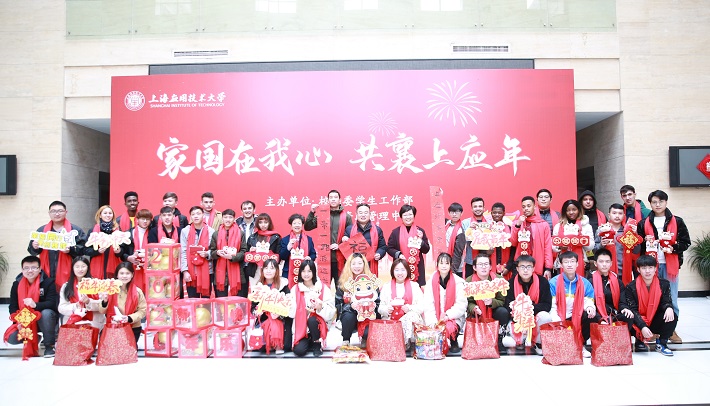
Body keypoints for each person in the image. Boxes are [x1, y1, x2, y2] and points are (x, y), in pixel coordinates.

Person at [638, 189, 690, 344]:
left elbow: (686, 242)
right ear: (650, 204)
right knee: (651, 298)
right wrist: (644, 242)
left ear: (666, 202)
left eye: (660, 201)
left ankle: (671, 329)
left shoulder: (677, 221)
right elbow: (639, 246)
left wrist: (673, 248)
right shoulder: (644, 223)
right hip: (651, 267)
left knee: (671, 298)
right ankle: (653, 329)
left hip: (670, 266)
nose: (658, 204)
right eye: (654, 202)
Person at [28, 200, 87, 292]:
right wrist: (34, 247)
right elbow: (31, 251)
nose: (57, 214)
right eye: (53, 211)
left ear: (66, 212)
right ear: (49, 213)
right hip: (46, 271)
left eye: (60, 211)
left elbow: (83, 249)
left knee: (66, 294)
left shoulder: (75, 230)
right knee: (49, 294)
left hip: (69, 272)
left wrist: (70, 250)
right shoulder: (42, 230)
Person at [6, 256, 59, 357]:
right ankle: (35, 338)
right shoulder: (16, 284)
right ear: (22, 270)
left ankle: (49, 346)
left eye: (34, 268)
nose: (30, 271)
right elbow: (13, 306)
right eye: (26, 268)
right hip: (25, 321)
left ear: (39, 269)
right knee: (11, 338)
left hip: (44, 320)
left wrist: (35, 305)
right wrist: (18, 321)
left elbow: (52, 303)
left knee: (46, 313)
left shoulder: (48, 282)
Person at [625, 255, 678, 356]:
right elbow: (633, 309)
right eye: (644, 268)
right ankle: (639, 339)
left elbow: (666, 301)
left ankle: (662, 343)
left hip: (654, 318)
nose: (647, 271)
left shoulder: (664, 284)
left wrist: (668, 307)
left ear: (655, 268)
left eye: (650, 267)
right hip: (638, 321)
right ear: (638, 270)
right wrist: (642, 326)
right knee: (628, 316)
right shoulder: (631, 287)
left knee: (672, 315)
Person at [549, 251, 596, 358]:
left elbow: (588, 300)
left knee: (590, 316)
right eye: (566, 262)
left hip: (576, 315)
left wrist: (590, 307)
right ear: (561, 265)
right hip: (559, 315)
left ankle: (581, 345)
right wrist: (557, 320)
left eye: (572, 261)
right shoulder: (553, 282)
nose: (569, 265)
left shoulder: (585, 283)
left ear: (577, 264)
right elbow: (552, 305)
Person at [502, 255, 553, 355]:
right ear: (517, 269)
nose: (525, 270)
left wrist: (528, 310)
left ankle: (537, 342)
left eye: (529, 267)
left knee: (546, 316)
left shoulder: (542, 282)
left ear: (533, 268)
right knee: (508, 342)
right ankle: (519, 338)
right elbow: (507, 305)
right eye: (522, 267)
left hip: (535, 315)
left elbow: (547, 304)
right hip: (517, 318)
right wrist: (522, 317)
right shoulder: (510, 283)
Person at [304, 189, 353, 284]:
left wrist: (340, 245)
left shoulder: (346, 217)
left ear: (340, 200)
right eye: (331, 197)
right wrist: (312, 212)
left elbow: (350, 237)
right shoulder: (323, 214)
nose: (333, 199)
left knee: (341, 287)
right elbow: (308, 227)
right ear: (328, 200)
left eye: (335, 197)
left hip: (340, 258)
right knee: (324, 287)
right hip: (325, 258)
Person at [290, 259, 336, 357]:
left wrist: (320, 307)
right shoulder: (295, 289)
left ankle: (317, 343)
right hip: (302, 328)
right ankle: (308, 340)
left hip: (317, 325)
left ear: (314, 272)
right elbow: (290, 313)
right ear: (300, 273)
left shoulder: (323, 288)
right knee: (299, 351)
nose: (306, 274)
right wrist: (301, 311)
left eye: (309, 271)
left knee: (312, 320)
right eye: (303, 271)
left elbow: (331, 313)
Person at [422, 252, 467, 354]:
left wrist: (447, 315)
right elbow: (428, 304)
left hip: (452, 317)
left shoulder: (459, 282)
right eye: (441, 263)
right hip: (436, 317)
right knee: (434, 329)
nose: (444, 266)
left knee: (450, 326)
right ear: (437, 265)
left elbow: (461, 304)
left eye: (447, 263)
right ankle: (438, 341)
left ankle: (453, 339)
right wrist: (433, 321)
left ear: (451, 265)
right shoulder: (430, 282)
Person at [378, 258, 424, 353]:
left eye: (403, 270)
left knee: (410, 316)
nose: (400, 273)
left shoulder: (414, 286)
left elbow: (422, 306)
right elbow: (380, 308)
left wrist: (409, 308)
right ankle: (400, 343)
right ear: (392, 271)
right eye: (397, 270)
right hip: (392, 318)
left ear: (407, 271)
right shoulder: (386, 287)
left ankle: (409, 342)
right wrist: (387, 310)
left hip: (410, 319)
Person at [335, 253, 380, 347]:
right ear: (349, 265)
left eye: (360, 263)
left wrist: (370, 305)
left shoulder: (371, 281)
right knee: (348, 316)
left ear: (364, 265)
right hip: (351, 314)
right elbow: (338, 304)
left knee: (368, 331)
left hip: (368, 314)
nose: (357, 266)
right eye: (354, 263)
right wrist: (350, 304)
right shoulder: (344, 282)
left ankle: (365, 337)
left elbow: (378, 302)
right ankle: (346, 339)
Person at [590, 248, 635, 338]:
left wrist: (624, 308)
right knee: (588, 315)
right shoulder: (590, 282)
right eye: (601, 262)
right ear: (595, 263)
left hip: (614, 314)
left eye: (607, 262)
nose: (604, 264)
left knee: (628, 315)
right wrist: (600, 319)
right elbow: (590, 303)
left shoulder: (617, 281)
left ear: (611, 263)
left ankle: (620, 341)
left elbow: (622, 301)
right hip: (597, 315)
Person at [251, 258, 291, 354]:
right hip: (264, 319)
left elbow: (289, 305)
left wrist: (279, 313)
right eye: (266, 268)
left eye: (272, 268)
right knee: (260, 348)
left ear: (277, 271)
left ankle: (277, 343)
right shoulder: (258, 287)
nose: (268, 271)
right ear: (262, 270)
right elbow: (252, 307)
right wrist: (257, 311)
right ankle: (270, 342)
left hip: (281, 320)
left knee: (286, 345)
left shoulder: (283, 286)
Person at [101, 262, 147, 344]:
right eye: (121, 273)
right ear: (117, 275)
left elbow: (143, 310)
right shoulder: (109, 290)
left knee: (129, 350)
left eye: (127, 273)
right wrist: (104, 301)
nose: (124, 276)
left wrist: (129, 318)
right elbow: (102, 311)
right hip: (113, 325)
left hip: (133, 327)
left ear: (132, 275)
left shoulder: (137, 291)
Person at [386, 204, 431, 287]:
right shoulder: (395, 232)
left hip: (417, 267)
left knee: (416, 291)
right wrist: (398, 254)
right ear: (401, 216)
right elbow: (389, 248)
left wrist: (421, 240)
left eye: (410, 214)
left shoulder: (420, 231)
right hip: (400, 267)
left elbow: (426, 250)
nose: (408, 217)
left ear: (414, 216)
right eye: (405, 215)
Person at [58, 256, 107, 330]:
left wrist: (88, 302)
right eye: (77, 267)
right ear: (72, 268)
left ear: (88, 268)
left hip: (94, 323)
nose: (80, 269)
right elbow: (61, 308)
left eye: (83, 266)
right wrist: (76, 306)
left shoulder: (96, 284)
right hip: (73, 323)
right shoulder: (66, 286)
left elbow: (102, 306)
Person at [466, 254, 510, 338]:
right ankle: (476, 339)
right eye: (480, 264)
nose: (483, 267)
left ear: (490, 267)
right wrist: (474, 308)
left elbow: (502, 301)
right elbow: (468, 302)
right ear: (474, 267)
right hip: (477, 311)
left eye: (486, 264)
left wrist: (491, 302)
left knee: (502, 312)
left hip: (493, 310)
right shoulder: (469, 281)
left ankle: (500, 337)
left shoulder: (499, 280)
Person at [511, 196, 553, 279]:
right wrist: (518, 225)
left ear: (534, 207)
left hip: (537, 262)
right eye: (523, 207)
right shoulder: (517, 223)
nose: (526, 209)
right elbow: (513, 243)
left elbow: (547, 247)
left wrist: (548, 267)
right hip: (520, 262)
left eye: (528, 206)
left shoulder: (543, 224)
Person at [209, 208, 248, 297]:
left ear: (234, 219)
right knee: (221, 301)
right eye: (225, 217)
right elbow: (212, 252)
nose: (228, 219)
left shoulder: (240, 233)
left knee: (238, 300)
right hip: (220, 272)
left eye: (230, 217)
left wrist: (232, 257)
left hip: (237, 272)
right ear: (222, 218)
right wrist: (217, 253)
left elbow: (244, 252)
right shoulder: (216, 234)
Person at [551, 199, 594, 277]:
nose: (571, 212)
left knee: (580, 282)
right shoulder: (558, 226)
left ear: (579, 210)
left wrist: (581, 240)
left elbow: (590, 247)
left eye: (574, 210)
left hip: (581, 261)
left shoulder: (586, 226)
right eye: (568, 210)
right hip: (562, 262)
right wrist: (560, 247)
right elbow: (553, 245)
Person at [342, 203, 387, 276]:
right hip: (354, 266)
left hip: (371, 264)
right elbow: (344, 248)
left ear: (370, 214)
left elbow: (383, 247)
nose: (363, 215)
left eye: (366, 213)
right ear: (356, 214)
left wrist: (379, 254)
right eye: (360, 213)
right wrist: (344, 240)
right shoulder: (349, 229)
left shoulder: (377, 230)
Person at [180, 206, 215, 298]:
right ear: (190, 217)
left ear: (203, 215)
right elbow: (183, 251)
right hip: (191, 271)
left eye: (198, 214)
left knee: (205, 301)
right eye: (193, 214)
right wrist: (185, 271)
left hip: (207, 271)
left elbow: (214, 251)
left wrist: (207, 254)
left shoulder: (211, 231)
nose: (196, 216)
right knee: (193, 300)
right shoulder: (185, 231)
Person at [84, 205, 125, 279]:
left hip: (114, 265)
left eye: (110, 213)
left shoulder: (118, 230)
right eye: (105, 213)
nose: (108, 215)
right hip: (97, 265)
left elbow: (123, 249)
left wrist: (119, 251)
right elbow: (86, 250)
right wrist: (97, 251)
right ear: (100, 215)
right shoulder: (93, 230)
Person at [244, 213, 281, 286]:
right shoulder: (252, 237)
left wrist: (270, 254)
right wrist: (250, 251)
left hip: (270, 269)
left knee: (270, 290)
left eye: (265, 222)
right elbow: (245, 253)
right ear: (257, 224)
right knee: (255, 290)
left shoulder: (276, 237)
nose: (263, 225)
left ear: (269, 223)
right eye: (260, 222)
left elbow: (279, 254)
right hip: (255, 269)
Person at [280, 213, 316, 286]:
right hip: (288, 272)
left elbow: (313, 254)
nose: (297, 225)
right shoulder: (285, 240)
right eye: (294, 223)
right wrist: (288, 247)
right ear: (291, 225)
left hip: (305, 272)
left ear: (302, 225)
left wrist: (310, 257)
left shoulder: (309, 239)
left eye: (299, 223)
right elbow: (282, 256)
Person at [122, 208, 153, 292]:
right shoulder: (129, 233)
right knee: (132, 291)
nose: (145, 221)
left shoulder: (153, 233)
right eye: (143, 219)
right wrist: (128, 257)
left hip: (149, 267)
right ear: (137, 219)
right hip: (132, 267)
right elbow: (121, 251)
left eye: (147, 219)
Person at [579, 190, 606, 269]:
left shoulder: (601, 215)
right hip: (581, 251)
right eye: (585, 199)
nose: (588, 202)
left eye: (590, 199)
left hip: (598, 250)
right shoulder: (576, 215)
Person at [462, 197, 486, 278]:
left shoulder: (490, 223)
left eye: (480, 206)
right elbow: (462, 240)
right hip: (470, 261)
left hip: (486, 262)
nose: (478, 208)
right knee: (470, 283)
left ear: (484, 208)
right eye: (475, 207)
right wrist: (469, 229)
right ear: (471, 209)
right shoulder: (465, 223)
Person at [489, 202, 514, 279]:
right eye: (494, 213)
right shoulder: (487, 229)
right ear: (491, 213)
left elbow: (513, 249)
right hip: (490, 266)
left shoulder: (510, 228)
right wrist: (487, 251)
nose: (497, 215)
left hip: (506, 266)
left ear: (504, 213)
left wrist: (508, 267)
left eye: (499, 213)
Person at [445, 202, 469, 275]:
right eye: (452, 212)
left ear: (461, 213)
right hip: (443, 262)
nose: (454, 214)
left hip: (456, 267)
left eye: (457, 212)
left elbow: (458, 252)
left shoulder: (462, 229)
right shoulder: (446, 224)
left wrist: (452, 271)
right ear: (449, 213)